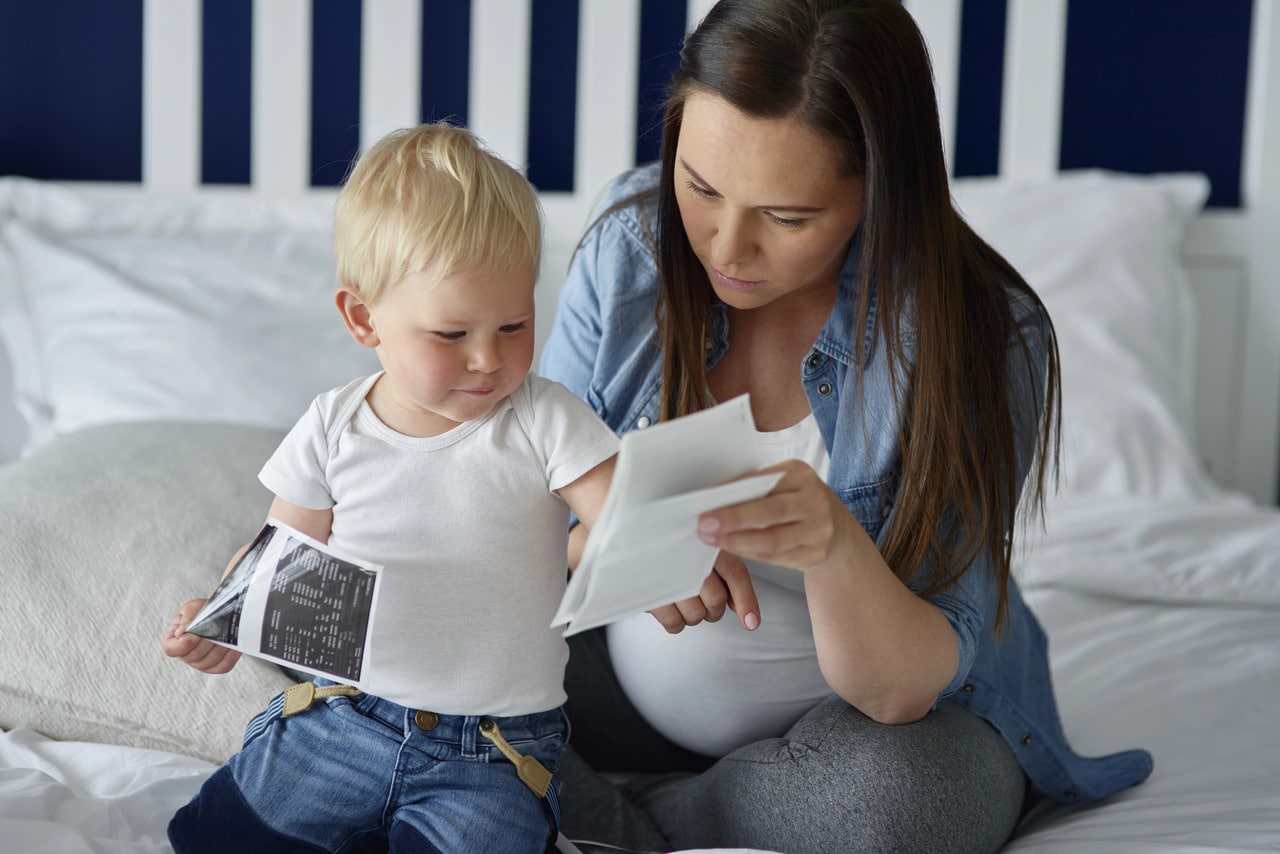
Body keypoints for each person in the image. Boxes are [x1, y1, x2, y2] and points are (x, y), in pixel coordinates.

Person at [538, 1, 1153, 852]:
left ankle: (631, 815)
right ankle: (688, 798)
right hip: (621, 698)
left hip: (863, 730)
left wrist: (829, 542)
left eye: (787, 218)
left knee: (917, 802)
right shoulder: (631, 244)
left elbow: (902, 693)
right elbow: (519, 535)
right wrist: (623, 528)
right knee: (403, 671)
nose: (725, 246)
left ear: (879, 188)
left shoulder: (980, 336)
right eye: (702, 186)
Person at [161, 122, 618, 853]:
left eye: (514, 324)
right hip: (345, 717)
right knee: (218, 840)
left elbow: (623, 517)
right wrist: (217, 619)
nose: (488, 359)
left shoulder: (544, 418)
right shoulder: (334, 426)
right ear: (364, 318)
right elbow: (281, 555)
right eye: (451, 334)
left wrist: (658, 549)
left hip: (493, 750)